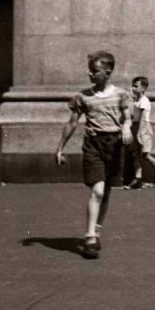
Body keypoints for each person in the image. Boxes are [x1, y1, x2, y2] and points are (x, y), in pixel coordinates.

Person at [55, 51, 132, 259]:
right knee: (97, 190)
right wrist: (60, 147)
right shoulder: (82, 97)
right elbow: (72, 122)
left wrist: (126, 127)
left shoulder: (122, 95)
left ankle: (96, 230)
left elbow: (127, 117)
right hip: (93, 145)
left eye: (94, 70)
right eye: (90, 70)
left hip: (115, 145)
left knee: (106, 191)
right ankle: (89, 236)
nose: (90, 73)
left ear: (107, 72)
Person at [125, 76, 155, 189]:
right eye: (133, 86)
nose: (133, 88)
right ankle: (138, 179)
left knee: (145, 154)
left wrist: (139, 133)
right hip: (136, 125)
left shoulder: (144, 101)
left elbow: (143, 118)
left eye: (136, 86)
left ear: (143, 88)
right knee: (136, 154)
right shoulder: (136, 100)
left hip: (143, 127)